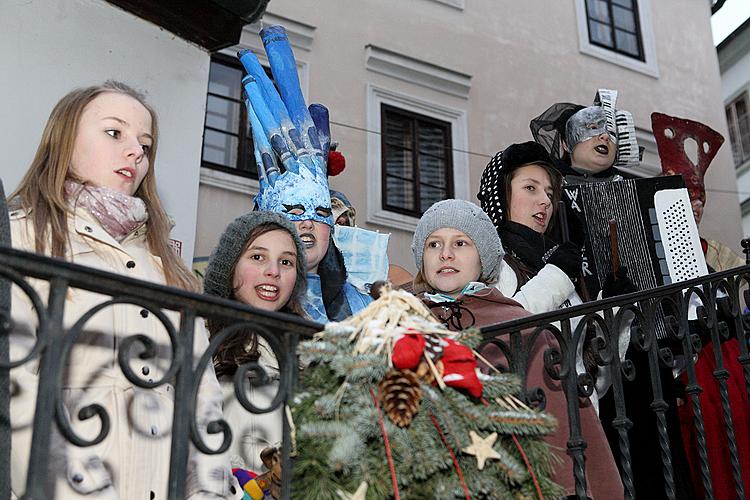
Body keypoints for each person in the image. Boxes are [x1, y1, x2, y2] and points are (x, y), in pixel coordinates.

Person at [7, 81, 239, 498]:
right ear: (64, 141)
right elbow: (15, 387)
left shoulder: (169, 269)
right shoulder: (24, 239)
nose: (136, 151)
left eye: (145, 144)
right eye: (115, 133)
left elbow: (203, 404)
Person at [411, 199, 624, 499]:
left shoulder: (520, 324)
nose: (445, 254)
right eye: (433, 245)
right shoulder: (402, 322)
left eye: (460, 242)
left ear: (482, 259)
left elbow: (560, 420)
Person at [237, 26, 374, 323]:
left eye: (322, 211)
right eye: (295, 210)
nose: (309, 221)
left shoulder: (366, 308)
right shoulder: (243, 300)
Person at [652, 111, 750, 499]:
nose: (695, 206)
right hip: (683, 368)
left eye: (700, 199)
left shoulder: (722, 253)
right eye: (686, 198)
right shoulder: (653, 254)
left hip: (724, 364)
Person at [203, 211, 307, 485]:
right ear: (230, 266)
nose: (274, 271)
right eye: (257, 257)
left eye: (286, 261)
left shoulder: (311, 351)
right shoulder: (198, 336)